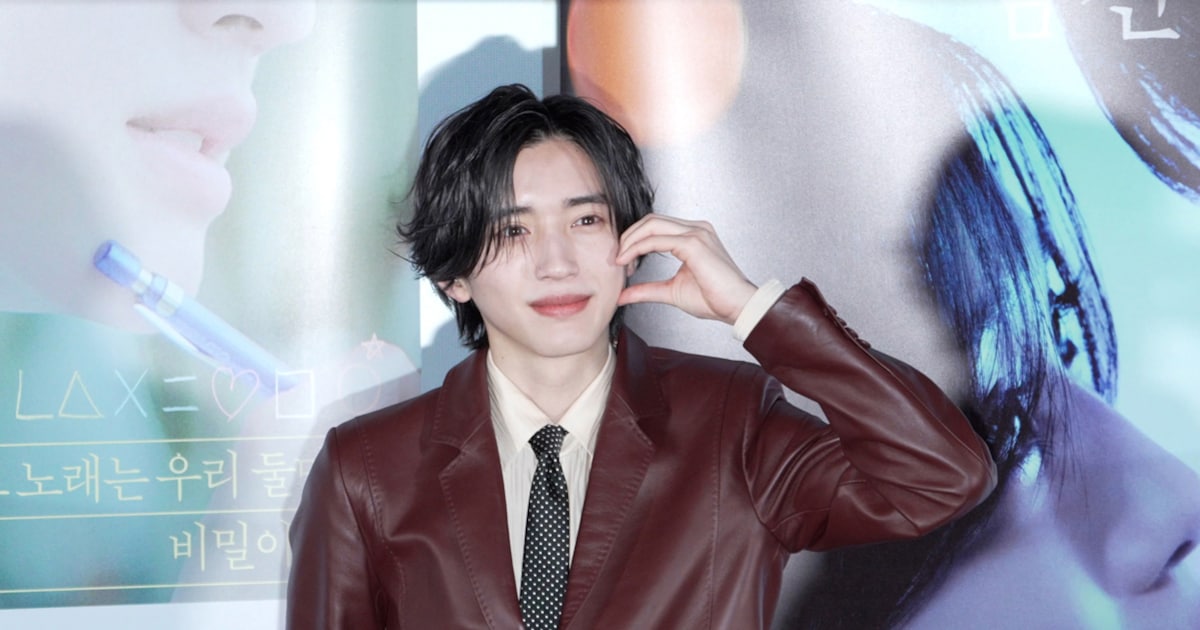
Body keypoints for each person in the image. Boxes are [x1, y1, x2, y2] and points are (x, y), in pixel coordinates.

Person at [285, 83, 996, 629]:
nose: (558, 262)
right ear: (454, 275)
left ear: (631, 241)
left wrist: (755, 311)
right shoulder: (366, 469)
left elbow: (941, 477)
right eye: (513, 231)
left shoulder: (732, 424)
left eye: (586, 219)